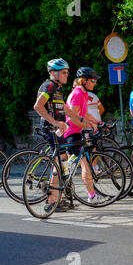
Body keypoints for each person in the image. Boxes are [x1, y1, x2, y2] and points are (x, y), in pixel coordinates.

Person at [33, 58, 87, 212]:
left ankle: (58, 199)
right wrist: (55, 122)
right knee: (59, 164)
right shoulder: (48, 85)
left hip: (58, 130)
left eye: (67, 72)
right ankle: (51, 202)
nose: (67, 75)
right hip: (51, 129)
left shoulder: (57, 88)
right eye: (63, 72)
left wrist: (80, 119)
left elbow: (65, 108)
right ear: (53, 73)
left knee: (62, 163)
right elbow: (37, 106)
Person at [64, 67, 103, 203]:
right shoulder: (78, 94)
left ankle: (65, 190)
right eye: (93, 80)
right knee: (85, 165)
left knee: (70, 167)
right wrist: (88, 125)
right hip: (72, 133)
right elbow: (73, 117)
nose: (95, 83)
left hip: (77, 132)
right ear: (84, 81)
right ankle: (91, 196)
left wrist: (98, 122)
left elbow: (84, 113)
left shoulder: (84, 93)